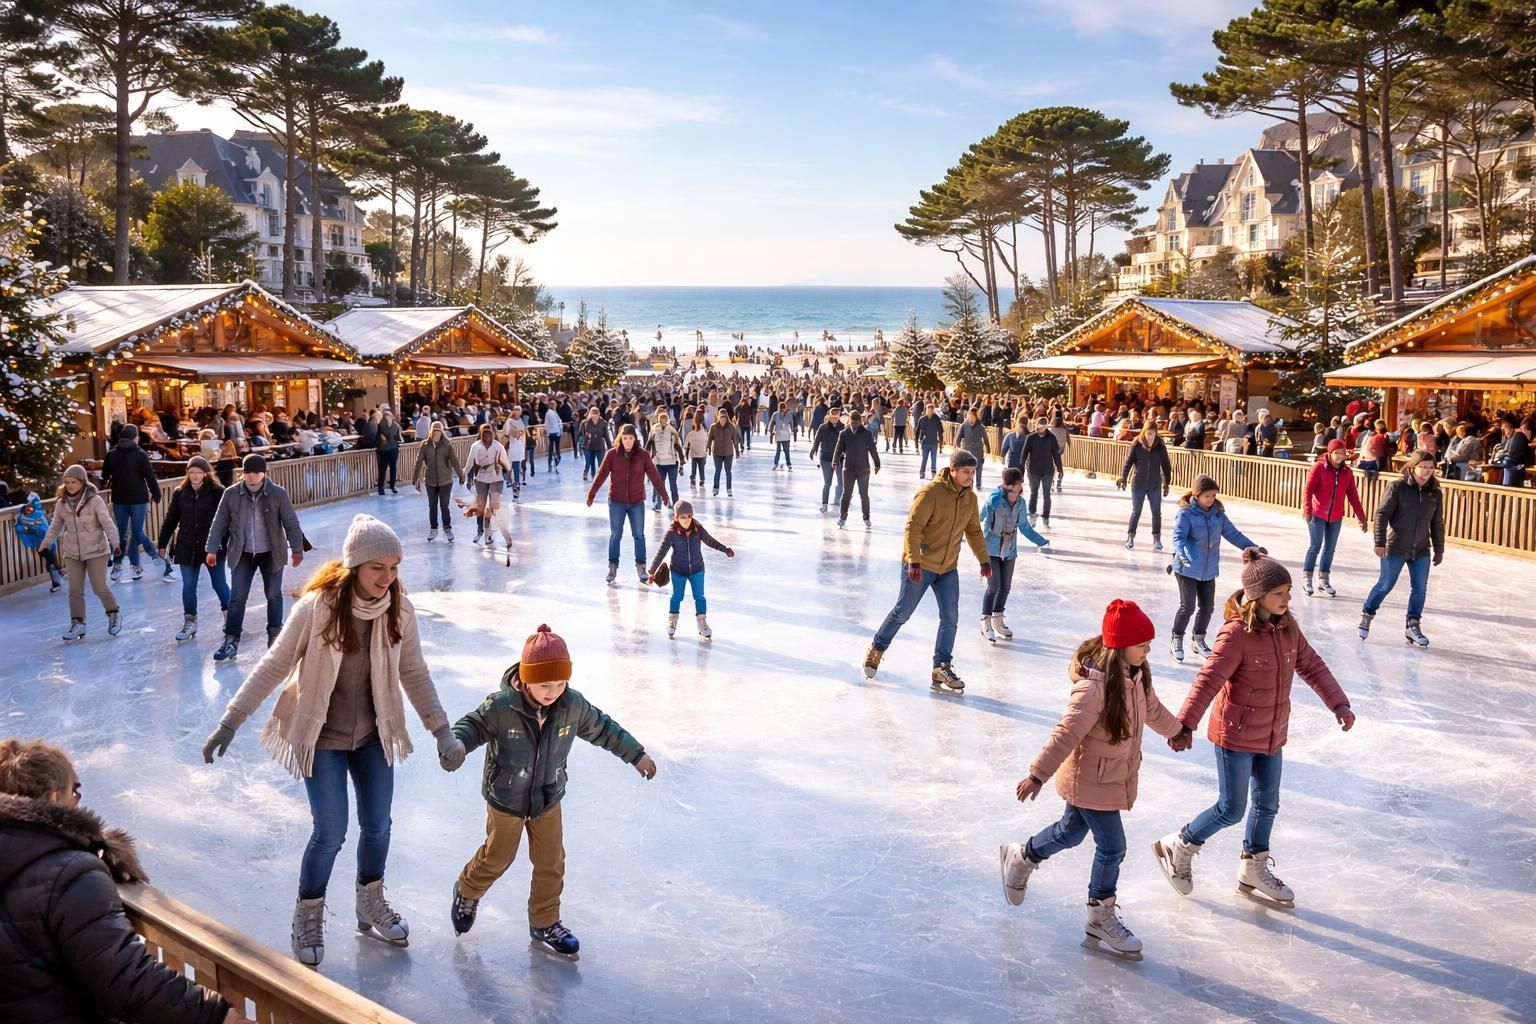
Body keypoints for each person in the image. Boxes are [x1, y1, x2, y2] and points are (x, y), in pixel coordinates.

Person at [202, 515, 463, 967]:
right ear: (355, 566)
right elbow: (274, 664)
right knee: (330, 833)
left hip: (375, 735)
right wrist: (232, 719)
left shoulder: (399, 609)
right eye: (377, 567)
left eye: (394, 567)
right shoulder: (318, 607)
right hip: (321, 737)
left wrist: (441, 729)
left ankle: (369, 902)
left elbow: (414, 672)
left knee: (379, 826)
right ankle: (308, 915)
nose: (387, 577)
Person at [1152, 549, 1354, 910]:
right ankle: (1180, 844)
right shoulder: (1236, 635)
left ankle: (1253, 868)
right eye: (1280, 594)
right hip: (1236, 735)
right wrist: (1184, 725)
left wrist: (1338, 703)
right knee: (1232, 808)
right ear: (1258, 595)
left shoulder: (1289, 628)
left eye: (1288, 592)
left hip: (1273, 732)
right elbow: (1207, 681)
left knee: (1268, 805)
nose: (1287, 599)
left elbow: (1313, 666)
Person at [445, 624, 657, 959]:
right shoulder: (502, 706)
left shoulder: (571, 705)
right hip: (507, 798)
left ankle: (545, 921)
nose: (552, 691)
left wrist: (636, 754)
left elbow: (604, 728)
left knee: (551, 862)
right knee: (498, 856)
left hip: (547, 797)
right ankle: (468, 890)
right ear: (526, 678)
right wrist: (456, 744)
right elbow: (473, 725)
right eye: (545, 684)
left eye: (560, 684)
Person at [0, 739, 247, 1024]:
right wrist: (214, 1014)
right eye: (74, 790)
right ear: (55, 798)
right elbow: (124, 981)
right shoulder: (68, 873)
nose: (77, 800)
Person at [998, 600, 1184, 961]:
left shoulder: (1137, 674)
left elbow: (1153, 710)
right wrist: (1037, 774)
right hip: (1089, 778)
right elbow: (1066, 733)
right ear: (1120, 646)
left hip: (1111, 775)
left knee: (1070, 832)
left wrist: (1176, 731)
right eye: (1142, 644)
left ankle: (1022, 856)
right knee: (1113, 847)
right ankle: (1099, 916)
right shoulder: (1094, 688)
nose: (1148, 650)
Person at [863, 449, 990, 692]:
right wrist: (913, 559)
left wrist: (983, 560)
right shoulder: (930, 493)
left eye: (973, 472)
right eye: (965, 472)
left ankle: (941, 666)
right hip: (920, 564)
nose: (970, 477)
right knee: (903, 612)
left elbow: (973, 530)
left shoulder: (970, 499)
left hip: (948, 568)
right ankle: (877, 648)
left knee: (950, 617)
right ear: (952, 470)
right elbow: (913, 528)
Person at [204, 453, 305, 663]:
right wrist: (211, 548)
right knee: (237, 597)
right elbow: (219, 522)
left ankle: (275, 636)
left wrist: (297, 549)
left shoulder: (278, 493)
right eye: (248, 473)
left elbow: (291, 523)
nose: (252, 477)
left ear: (264, 473)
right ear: (242, 473)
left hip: (271, 552)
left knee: (273, 595)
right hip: (242, 552)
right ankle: (231, 639)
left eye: (257, 473)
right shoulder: (231, 494)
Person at [1358, 451, 1445, 648]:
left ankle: (1412, 625)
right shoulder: (1398, 487)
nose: (1427, 471)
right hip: (1396, 546)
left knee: (1420, 589)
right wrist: (1379, 542)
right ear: (1413, 466)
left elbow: (1437, 523)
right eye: (1423, 466)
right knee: (1385, 584)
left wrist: (1439, 549)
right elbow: (1382, 514)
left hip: (1422, 549)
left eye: (1431, 467)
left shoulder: (1435, 493)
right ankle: (1367, 614)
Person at [1169, 475, 1258, 663]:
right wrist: (1183, 554)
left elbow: (1233, 534)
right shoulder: (1186, 514)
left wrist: (1251, 547)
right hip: (1186, 568)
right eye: (1207, 496)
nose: (1211, 499)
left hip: (1208, 569)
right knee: (1188, 607)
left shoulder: (1218, 514)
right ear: (1197, 494)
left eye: (1213, 495)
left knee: (1207, 607)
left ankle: (1198, 639)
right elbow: (1178, 538)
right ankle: (1177, 638)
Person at [41, 464, 122, 642]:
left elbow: (107, 523)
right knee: (75, 590)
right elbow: (55, 525)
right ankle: (78, 623)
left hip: (96, 550)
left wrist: (115, 543)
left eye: (73, 482)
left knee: (99, 587)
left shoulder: (94, 500)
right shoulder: (62, 503)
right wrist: (46, 543)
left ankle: (113, 613)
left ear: (83, 482)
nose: (70, 485)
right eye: (67, 482)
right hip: (72, 552)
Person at [157, 456, 232, 644]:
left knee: (219, 583)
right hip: (186, 545)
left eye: (199, 472)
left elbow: (226, 520)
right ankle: (190, 621)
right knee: (188, 586)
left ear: (206, 473)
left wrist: (224, 543)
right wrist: (162, 543)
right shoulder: (180, 492)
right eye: (191, 472)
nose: (195, 476)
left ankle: (231, 617)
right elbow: (171, 518)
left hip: (212, 547)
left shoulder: (217, 491)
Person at [587, 423, 669, 584]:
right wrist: (592, 493)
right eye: (625, 438)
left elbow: (654, 476)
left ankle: (641, 567)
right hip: (616, 501)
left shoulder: (643, 455)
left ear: (635, 439)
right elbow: (601, 474)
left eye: (630, 438)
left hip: (636, 502)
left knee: (639, 535)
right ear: (620, 438)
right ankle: (612, 566)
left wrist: (664, 494)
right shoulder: (612, 455)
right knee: (615, 535)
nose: (628, 441)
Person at [648, 500, 735, 639]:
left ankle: (702, 623)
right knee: (677, 596)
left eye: (689, 516)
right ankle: (673, 620)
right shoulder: (671, 533)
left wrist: (725, 549)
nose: (686, 520)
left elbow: (710, 541)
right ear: (676, 518)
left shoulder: (697, 528)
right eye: (682, 517)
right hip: (678, 570)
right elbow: (662, 551)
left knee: (699, 596)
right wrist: (652, 571)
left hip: (697, 569)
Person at [979, 467, 1048, 643]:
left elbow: (1024, 527)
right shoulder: (994, 500)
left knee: (1005, 587)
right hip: (991, 550)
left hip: (1009, 550)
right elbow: (977, 518)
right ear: (1009, 485)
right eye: (1018, 483)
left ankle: (998, 621)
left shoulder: (1021, 503)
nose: (1021, 486)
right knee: (993, 586)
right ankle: (985, 623)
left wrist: (1041, 541)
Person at [1300, 439, 1369, 596]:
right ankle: (1307, 578)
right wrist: (1307, 509)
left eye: (1343, 453)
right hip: (1317, 514)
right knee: (1315, 546)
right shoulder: (1319, 468)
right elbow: (1308, 490)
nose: (1340, 456)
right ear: (1329, 453)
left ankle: (1324, 579)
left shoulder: (1347, 473)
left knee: (1330, 549)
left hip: (1336, 516)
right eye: (1337, 453)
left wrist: (1361, 517)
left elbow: (1353, 496)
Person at [101, 422, 165, 582]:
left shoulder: (111, 454)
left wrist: (104, 483)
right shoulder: (140, 454)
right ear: (135, 437)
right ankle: (150, 558)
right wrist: (156, 493)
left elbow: (104, 475)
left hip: (119, 498)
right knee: (136, 532)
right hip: (138, 499)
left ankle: (118, 565)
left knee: (121, 534)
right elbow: (149, 476)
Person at [1116, 424, 1172, 551]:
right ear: (1144, 432)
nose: (1151, 437)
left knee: (1156, 513)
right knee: (1136, 512)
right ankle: (1130, 536)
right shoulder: (1137, 444)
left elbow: (1166, 465)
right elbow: (1128, 462)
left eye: (1154, 433)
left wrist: (1167, 483)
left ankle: (1156, 538)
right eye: (1149, 433)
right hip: (1138, 484)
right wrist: (1124, 478)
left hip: (1154, 485)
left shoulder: (1160, 446)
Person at [413, 420, 466, 542]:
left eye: (439, 431)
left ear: (442, 432)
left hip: (445, 481)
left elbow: (454, 461)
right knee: (432, 506)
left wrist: (461, 474)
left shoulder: (447, 445)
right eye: (434, 430)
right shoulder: (425, 445)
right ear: (431, 432)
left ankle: (447, 528)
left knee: (444, 506)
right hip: (430, 481)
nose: (437, 433)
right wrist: (416, 477)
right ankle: (433, 528)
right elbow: (419, 462)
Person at [833, 409, 882, 529]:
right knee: (847, 494)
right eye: (853, 422)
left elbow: (872, 449)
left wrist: (877, 463)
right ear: (850, 421)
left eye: (857, 423)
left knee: (863, 494)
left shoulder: (867, 433)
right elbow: (838, 448)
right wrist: (835, 460)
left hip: (863, 468)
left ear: (860, 421)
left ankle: (866, 517)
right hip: (848, 467)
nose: (855, 425)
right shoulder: (844, 433)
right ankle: (842, 516)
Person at [14, 490, 63, 592]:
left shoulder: (39, 514)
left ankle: (57, 580)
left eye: (31, 506)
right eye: (27, 506)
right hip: (39, 543)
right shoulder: (21, 517)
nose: (29, 508)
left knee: (51, 561)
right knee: (51, 560)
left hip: (49, 541)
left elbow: (47, 526)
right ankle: (58, 577)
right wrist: (28, 530)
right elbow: (20, 528)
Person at [1018, 416, 1063, 526]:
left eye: (1042, 427)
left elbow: (1056, 454)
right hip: (1033, 469)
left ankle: (1046, 516)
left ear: (1046, 426)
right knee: (1034, 492)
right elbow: (1024, 453)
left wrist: (1060, 469)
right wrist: (1021, 468)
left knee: (1047, 494)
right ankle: (1032, 513)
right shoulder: (1031, 437)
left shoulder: (1051, 437)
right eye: (1038, 427)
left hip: (1048, 470)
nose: (1039, 429)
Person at [809, 404, 845, 513]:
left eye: (836, 416)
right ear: (829, 416)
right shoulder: (823, 427)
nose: (834, 418)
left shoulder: (842, 427)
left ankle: (838, 501)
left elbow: (846, 443)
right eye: (832, 416)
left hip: (839, 458)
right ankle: (824, 504)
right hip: (825, 458)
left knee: (840, 482)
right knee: (827, 482)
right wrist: (813, 450)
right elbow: (817, 441)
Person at [648, 409, 685, 510]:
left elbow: (677, 446)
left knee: (673, 485)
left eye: (665, 419)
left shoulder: (672, 430)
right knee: (659, 484)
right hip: (659, 462)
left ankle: (676, 504)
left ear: (667, 420)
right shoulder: (654, 429)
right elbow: (649, 443)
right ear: (659, 420)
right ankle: (658, 503)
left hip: (672, 462)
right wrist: (646, 458)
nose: (663, 421)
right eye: (661, 419)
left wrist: (682, 462)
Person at [707, 406, 741, 496]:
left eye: (724, 417)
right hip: (717, 452)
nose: (723, 419)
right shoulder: (713, 427)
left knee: (728, 471)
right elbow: (709, 438)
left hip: (728, 453)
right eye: (721, 417)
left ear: (727, 417)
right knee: (718, 470)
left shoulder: (731, 427)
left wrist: (737, 451)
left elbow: (735, 439)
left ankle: (729, 489)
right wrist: (708, 448)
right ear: (718, 417)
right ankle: (716, 488)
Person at [955, 408, 992, 484]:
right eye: (969, 417)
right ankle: (969, 484)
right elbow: (958, 436)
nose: (971, 419)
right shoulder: (964, 426)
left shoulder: (980, 427)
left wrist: (988, 449)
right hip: (967, 451)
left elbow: (985, 438)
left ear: (975, 418)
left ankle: (978, 484)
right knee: (968, 470)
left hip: (978, 451)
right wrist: (957, 444)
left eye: (972, 417)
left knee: (978, 469)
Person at [578, 407, 611, 481]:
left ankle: (599, 476)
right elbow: (581, 435)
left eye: (596, 413)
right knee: (590, 462)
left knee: (601, 463)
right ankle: (590, 475)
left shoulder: (603, 423)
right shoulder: (584, 423)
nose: (595, 415)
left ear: (599, 414)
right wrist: (579, 446)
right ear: (590, 413)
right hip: (589, 446)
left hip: (600, 446)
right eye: (593, 413)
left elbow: (606, 437)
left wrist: (611, 449)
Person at [375, 410, 403, 495]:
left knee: (391, 468)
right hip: (385, 450)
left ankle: (391, 486)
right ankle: (382, 487)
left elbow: (398, 437)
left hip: (392, 449)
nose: (388, 418)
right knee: (383, 469)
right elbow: (378, 437)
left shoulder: (395, 426)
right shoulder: (382, 425)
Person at [915, 404, 944, 479]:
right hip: (925, 443)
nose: (929, 412)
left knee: (933, 459)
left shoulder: (937, 419)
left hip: (934, 442)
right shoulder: (922, 419)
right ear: (926, 410)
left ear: (933, 411)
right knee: (924, 459)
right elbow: (917, 431)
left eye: (931, 410)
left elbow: (941, 431)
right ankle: (922, 472)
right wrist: (917, 443)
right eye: (928, 410)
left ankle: (933, 472)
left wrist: (941, 442)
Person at [684, 413, 710, 489]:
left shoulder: (691, 433)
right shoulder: (705, 432)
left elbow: (686, 444)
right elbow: (707, 442)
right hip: (702, 453)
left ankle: (693, 478)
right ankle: (702, 480)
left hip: (694, 453)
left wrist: (686, 451)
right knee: (702, 468)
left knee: (694, 467)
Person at [770, 404, 795, 470]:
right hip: (786, 435)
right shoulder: (789, 414)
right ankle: (788, 464)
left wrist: (770, 431)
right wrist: (792, 431)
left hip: (778, 434)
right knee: (786, 451)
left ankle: (776, 463)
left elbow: (771, 423)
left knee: (778, 450)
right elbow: (792, 424)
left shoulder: (775, 414)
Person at [544, 403, 564, 472]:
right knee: (554, 450)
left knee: (552, 449)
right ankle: (552, 463)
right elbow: (556, 423)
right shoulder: (550, 413)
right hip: (554, 433)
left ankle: (552, 464)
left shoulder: (553, 413)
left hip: (553, 433)